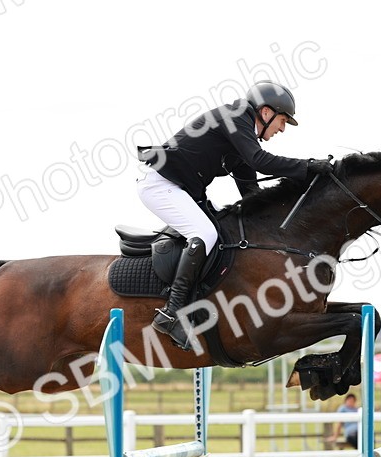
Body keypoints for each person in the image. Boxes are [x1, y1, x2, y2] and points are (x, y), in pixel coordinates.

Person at [136, 81, 334, 350]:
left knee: (225, 227)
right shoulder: (236, 117)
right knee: (205, 233)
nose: (282, 129)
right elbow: (260, 161)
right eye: (283, 120)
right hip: (160, 184)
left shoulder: (241, 137)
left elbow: (251, 193)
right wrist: (308, 167)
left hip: (181, 188)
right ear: (266, 113)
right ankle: (171, 313)